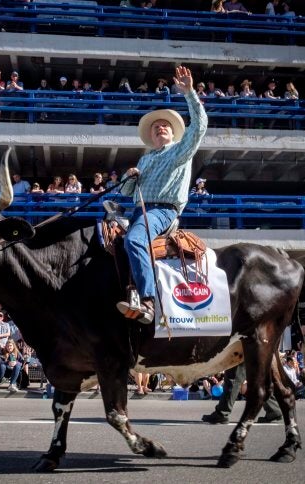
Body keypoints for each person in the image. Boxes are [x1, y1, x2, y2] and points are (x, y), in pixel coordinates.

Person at [117, 66, 208, 325]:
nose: (160, 129)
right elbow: (125, 192)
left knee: (134, 241)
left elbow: (199, 128)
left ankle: (148, 301)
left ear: (172, 132)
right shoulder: (144, 160)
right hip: (140, 210)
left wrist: (189, 93)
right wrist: (129, 176)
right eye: (156, 127)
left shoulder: (180, 150)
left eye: (164, 126)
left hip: (162, 211)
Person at [202, 362, 282, 424]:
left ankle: (222, 413)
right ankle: (273, 410)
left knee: (234, 374)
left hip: (244, 343)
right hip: (258, 344)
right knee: (256, 377)